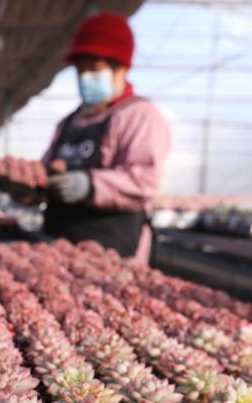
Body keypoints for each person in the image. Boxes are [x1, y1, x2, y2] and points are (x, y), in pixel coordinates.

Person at [43, 12, 170, 261]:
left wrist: (90, 185)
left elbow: (144, 180)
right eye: (80, 70)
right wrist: (32, 185)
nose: (85, 77)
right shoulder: (69, 122)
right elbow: (47, 169)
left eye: (94, 69)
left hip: (114, 252)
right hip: (57, 247)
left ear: (120, 68)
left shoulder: (139, 115)